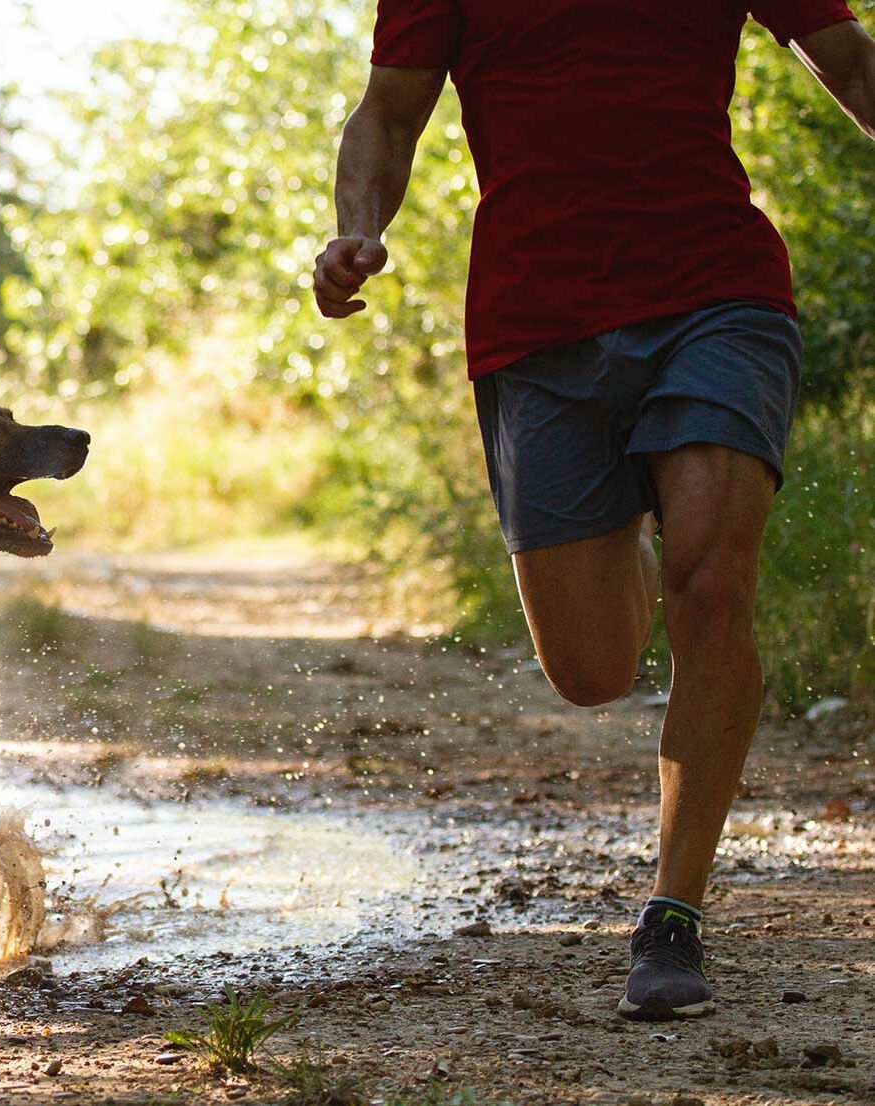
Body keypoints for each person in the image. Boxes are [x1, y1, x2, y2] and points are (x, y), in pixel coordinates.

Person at [314, 2, 875, 1021]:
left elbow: (846, 60)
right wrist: (355, 228)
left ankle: (672, 915)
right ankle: (643, 501)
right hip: (537, 324)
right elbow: (387, 115)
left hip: (717, 292)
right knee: (590, 669)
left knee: (710, 581)